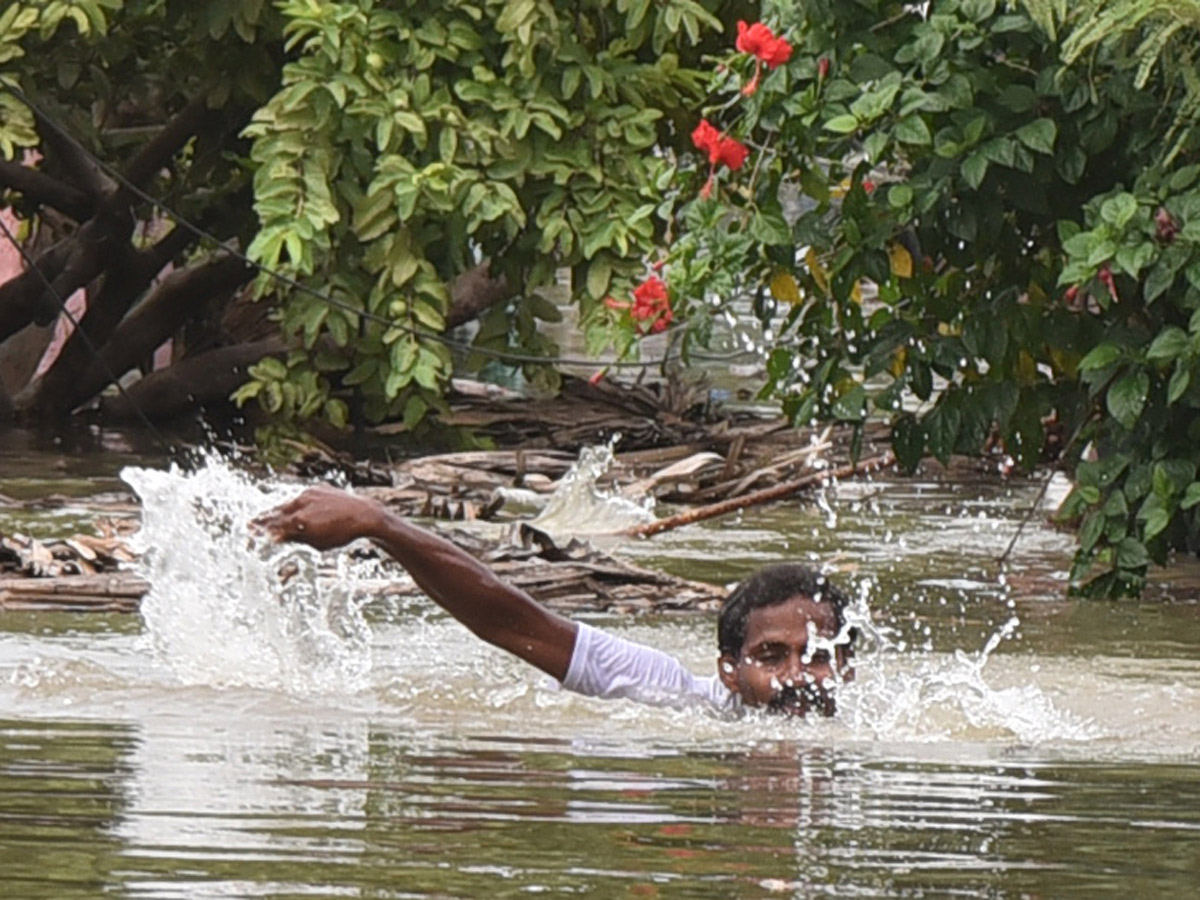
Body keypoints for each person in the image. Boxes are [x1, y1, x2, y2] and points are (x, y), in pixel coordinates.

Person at [252, 485, 857, 717]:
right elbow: (512, 620)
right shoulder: (677, 696)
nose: (797, 677)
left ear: (849, 667)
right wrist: (380, 525)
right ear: (729, 671)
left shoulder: (886, 726)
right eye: (772, 655)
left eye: (819, 656)